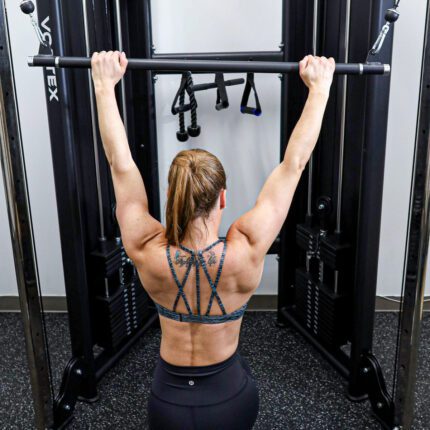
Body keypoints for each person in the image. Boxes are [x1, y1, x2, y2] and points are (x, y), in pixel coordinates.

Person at [91, 51, 335, 430]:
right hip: (230, 399)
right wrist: (319, 89)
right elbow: (294, 163)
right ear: (222, 197)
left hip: (167, 405)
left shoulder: (145, 246)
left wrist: (104, 85)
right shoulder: (248, 247)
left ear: (171, 196)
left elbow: (119, 163)